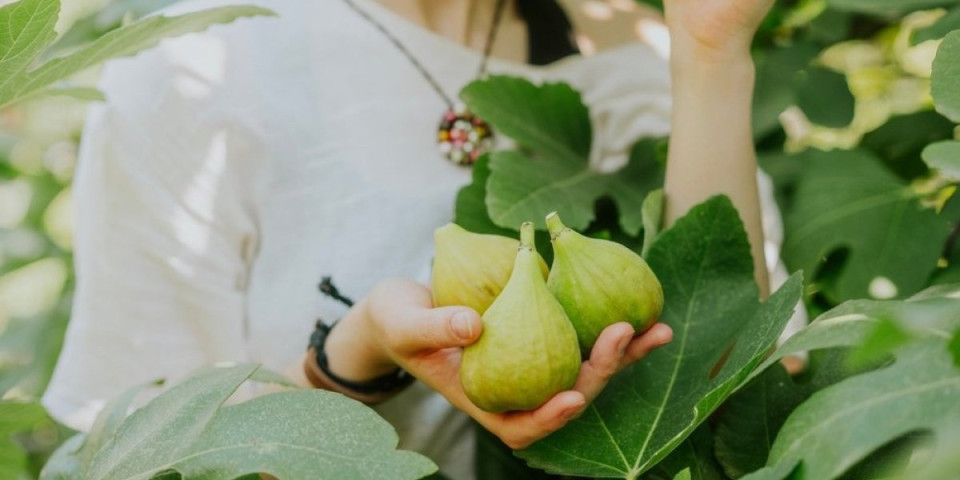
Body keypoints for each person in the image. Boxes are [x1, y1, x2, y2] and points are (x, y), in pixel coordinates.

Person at [42, 0, 783, 478]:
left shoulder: (632, 60)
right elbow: (145, 457)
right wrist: (351, 360)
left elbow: (726, 377)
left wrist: (711, 58)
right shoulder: (195, 72)